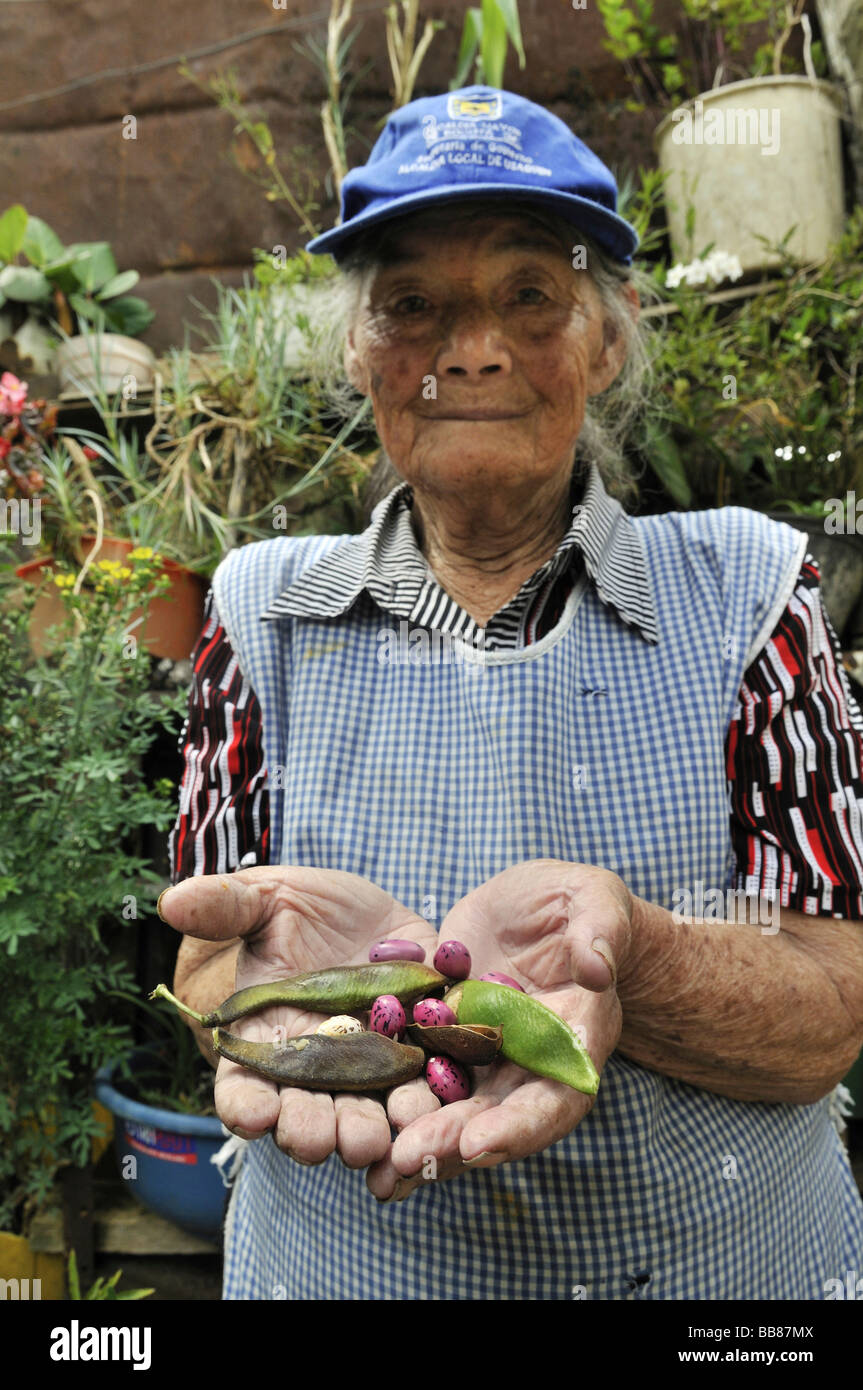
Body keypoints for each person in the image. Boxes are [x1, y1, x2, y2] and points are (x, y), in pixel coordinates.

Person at [159, 85, 863, 1300]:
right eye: (411, 304)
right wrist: (275, 991)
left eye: (529, 295)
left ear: (605, 333)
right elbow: (206, 968)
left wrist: (629, 958)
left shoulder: (754, 594)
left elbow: (832, 1005)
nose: (469, 346)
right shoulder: (258, 610)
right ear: (357, 350)